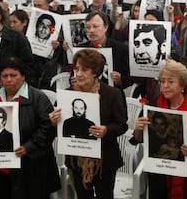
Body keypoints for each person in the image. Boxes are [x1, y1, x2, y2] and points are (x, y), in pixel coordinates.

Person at [0, 57, 60, 199]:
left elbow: (48, 128)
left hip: (31, 169)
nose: (8, 80)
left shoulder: (38, 98)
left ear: (23, 76)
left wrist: (28, 147)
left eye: (13, 75)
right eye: (4, 76)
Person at [132, 59, 187, 199]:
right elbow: (139, 139)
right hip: (158, 173)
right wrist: (138, 130)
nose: (165, 86)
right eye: (162, 81)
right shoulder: (153, 106)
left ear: (182, 85)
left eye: (170, 82)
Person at [49, 49, 128, 198]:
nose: (78, 74)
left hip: (105, 161)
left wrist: (106, 130)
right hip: (76, 161)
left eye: (84, 70)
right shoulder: (66, 95)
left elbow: (121, 125)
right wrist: (53, 122)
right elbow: (58, 129)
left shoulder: (112, 94)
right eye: (76, 69)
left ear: (95, 72)